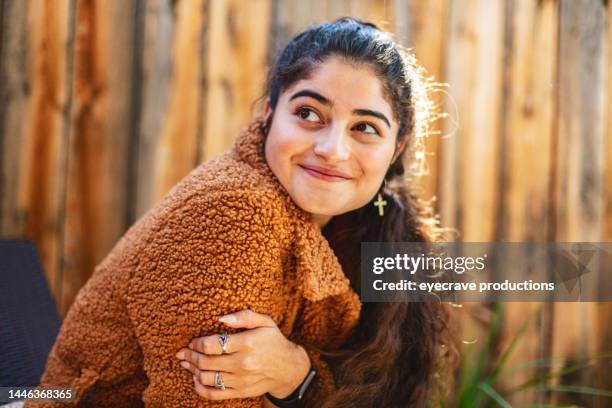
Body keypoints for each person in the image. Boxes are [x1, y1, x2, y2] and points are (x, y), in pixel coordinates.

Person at [26, 17, 457, 408]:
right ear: (270, 114)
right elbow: (198, 399)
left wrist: (295, 375)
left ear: (396, 147)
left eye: (365, 127)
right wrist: (297, 381)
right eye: (308, 113)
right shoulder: (235, 213)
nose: (332, 150)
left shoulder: (359, 223)